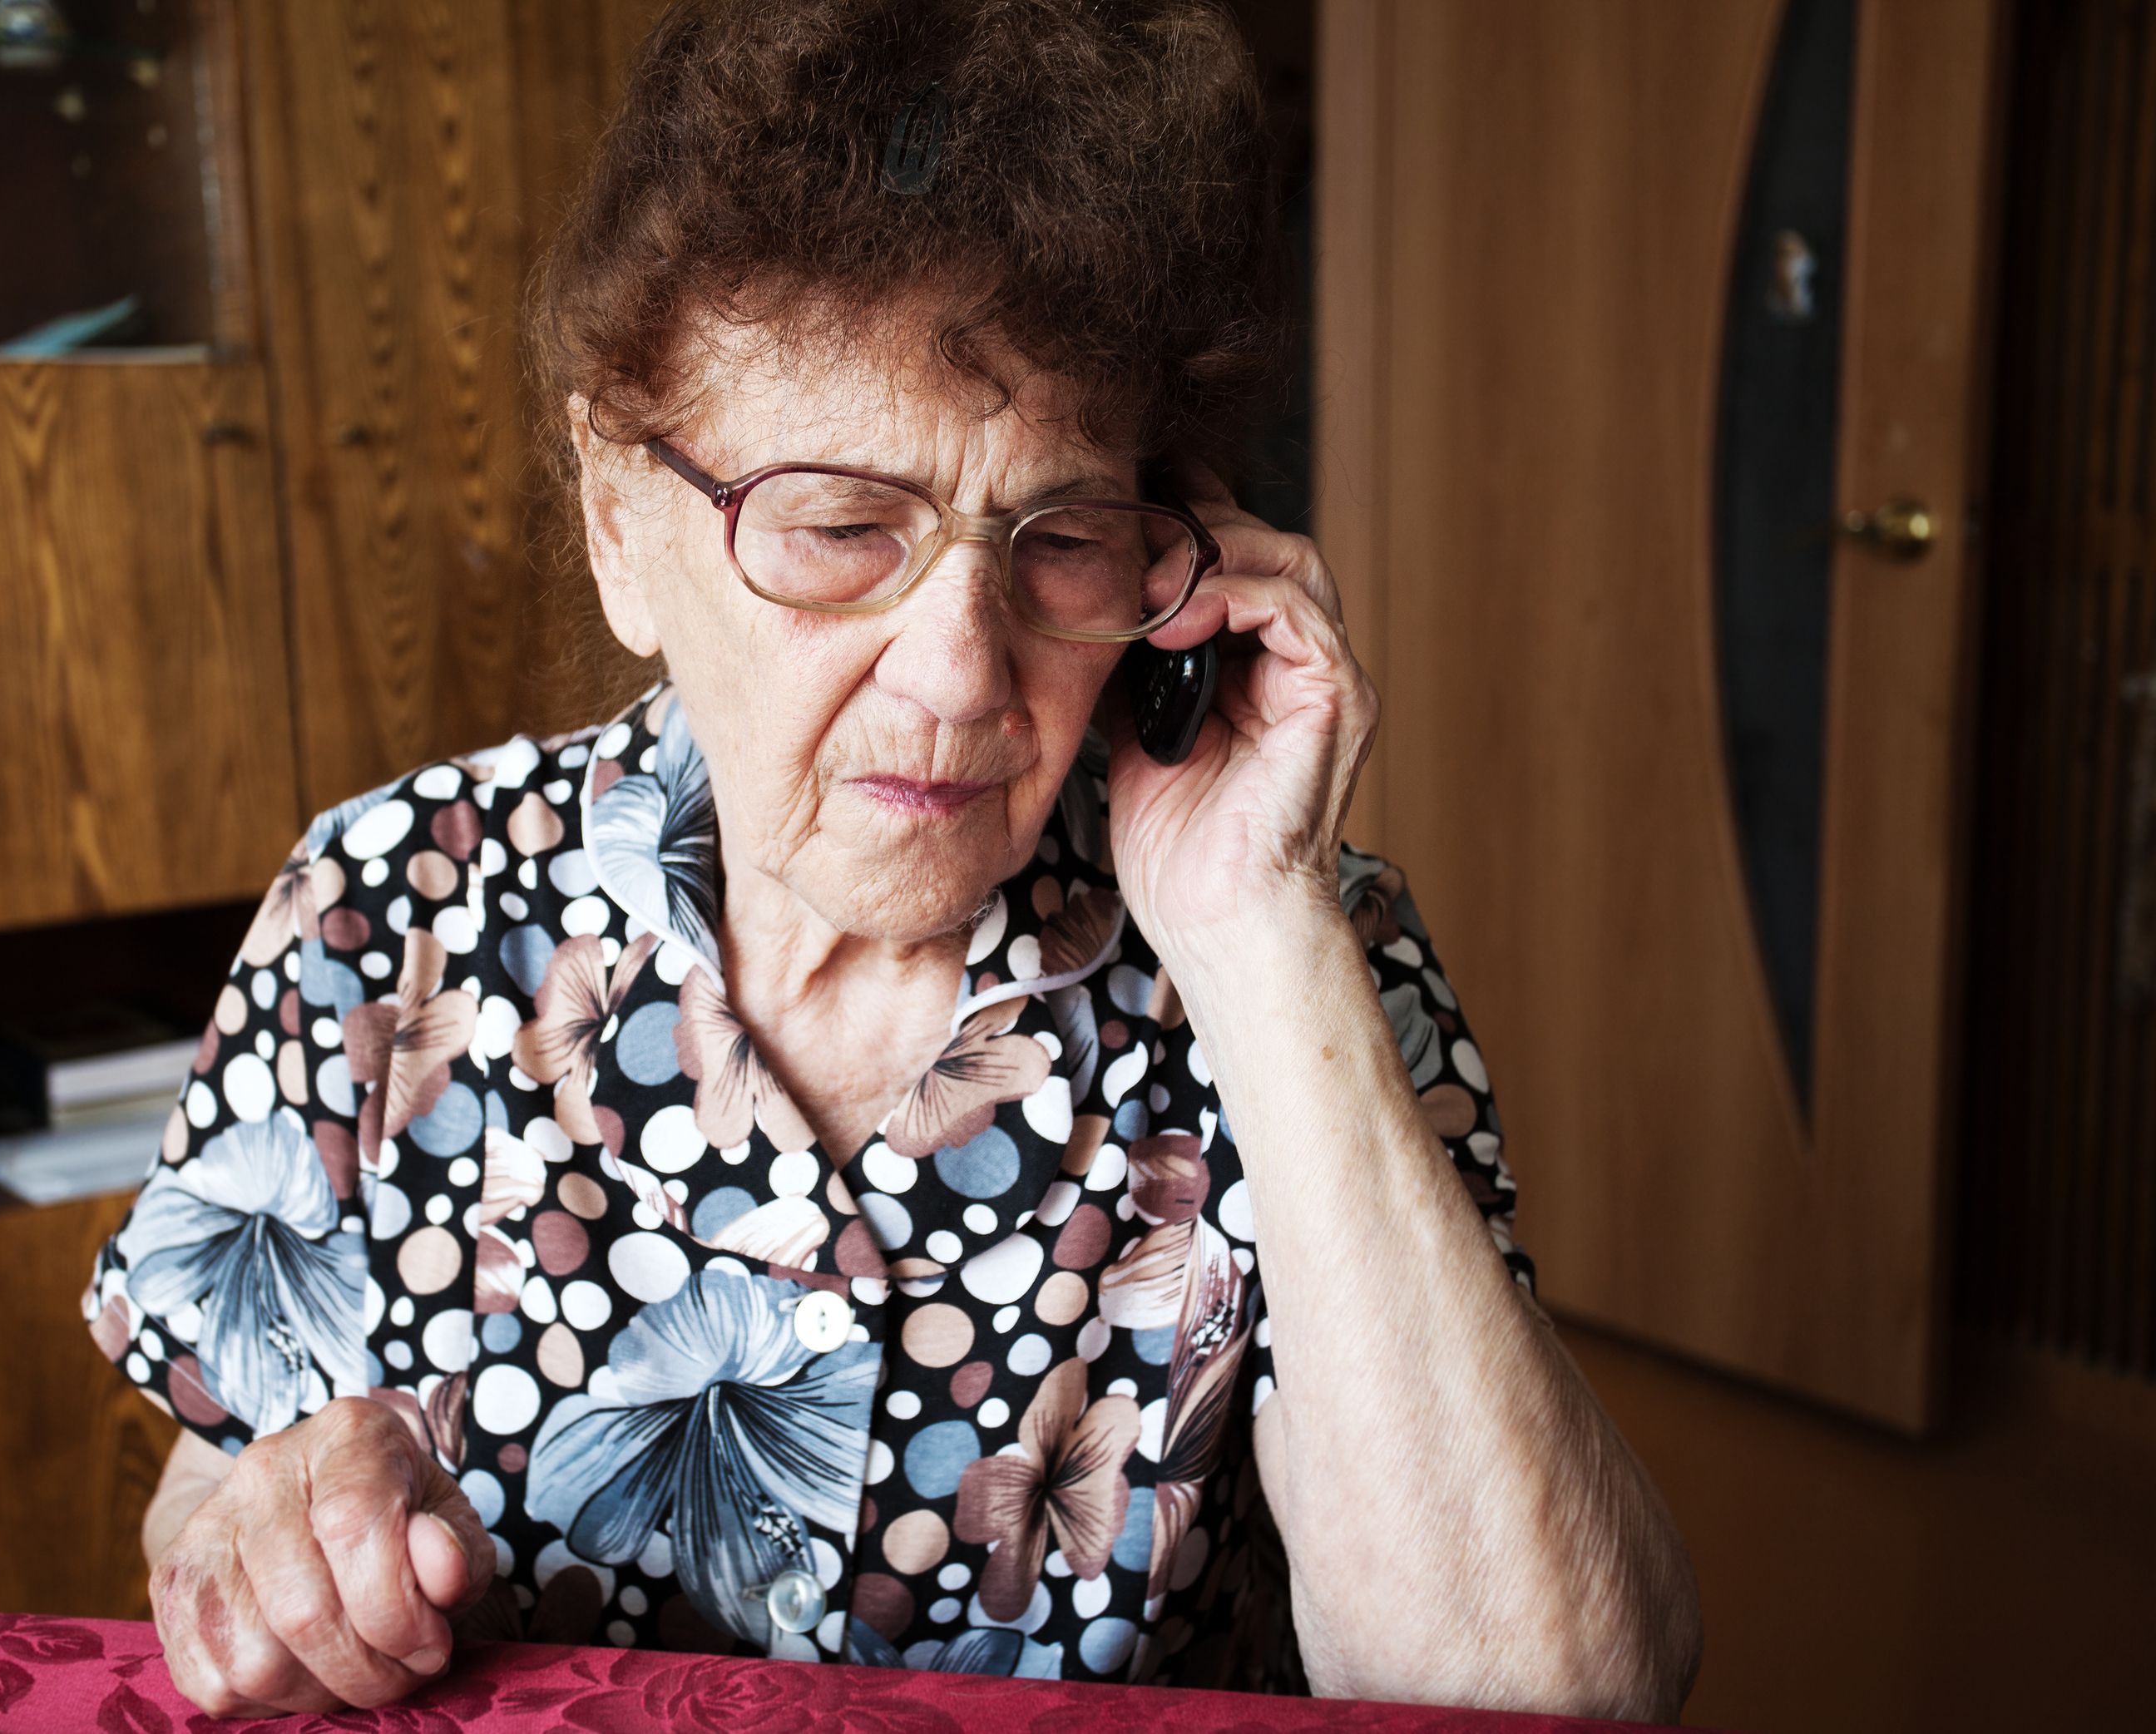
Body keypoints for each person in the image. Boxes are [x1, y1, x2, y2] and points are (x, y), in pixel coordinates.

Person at [83, 0, 1703, 1718]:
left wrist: (1255, 937)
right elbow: (205, 1493)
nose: (956, 667)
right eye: (841, 525)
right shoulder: (380, 909)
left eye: (1059, 537)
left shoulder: (1306, 948)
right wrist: (266, 1536)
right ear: (616, 519)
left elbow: (1554, 1693)